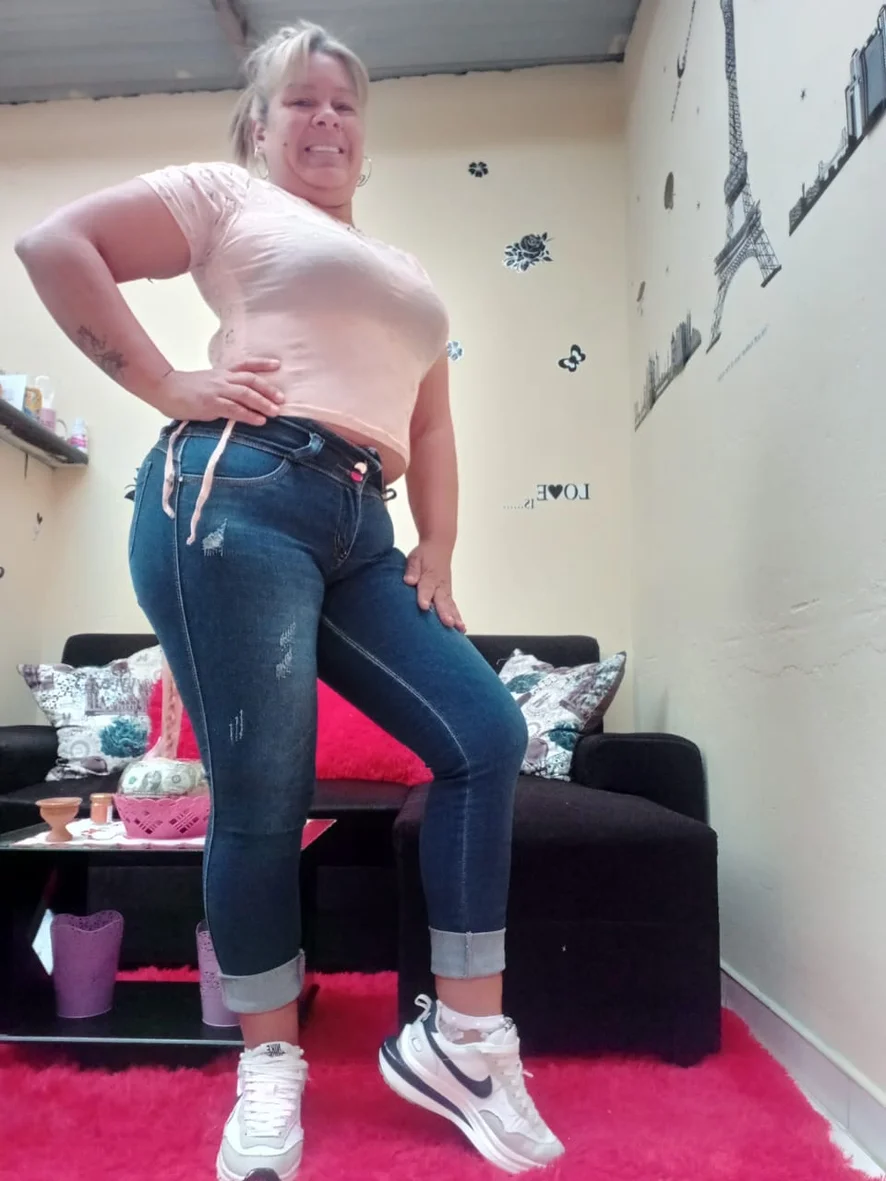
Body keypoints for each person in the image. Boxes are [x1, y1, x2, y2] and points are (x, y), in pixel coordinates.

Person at [15, 20, 564, 1180]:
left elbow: (429, 419)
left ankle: (466, 1040)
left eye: (344, 105)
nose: (325, 120)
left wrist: (439, 544)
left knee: (482, 735)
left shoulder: (405, 273)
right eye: (300, 102)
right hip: (236, 492)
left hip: (363, 524)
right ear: (258, 129)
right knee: (264, 791)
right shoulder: (228, 198)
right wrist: (166, 380)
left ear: (364, 135)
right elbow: (56, 244)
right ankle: (267, 1062)